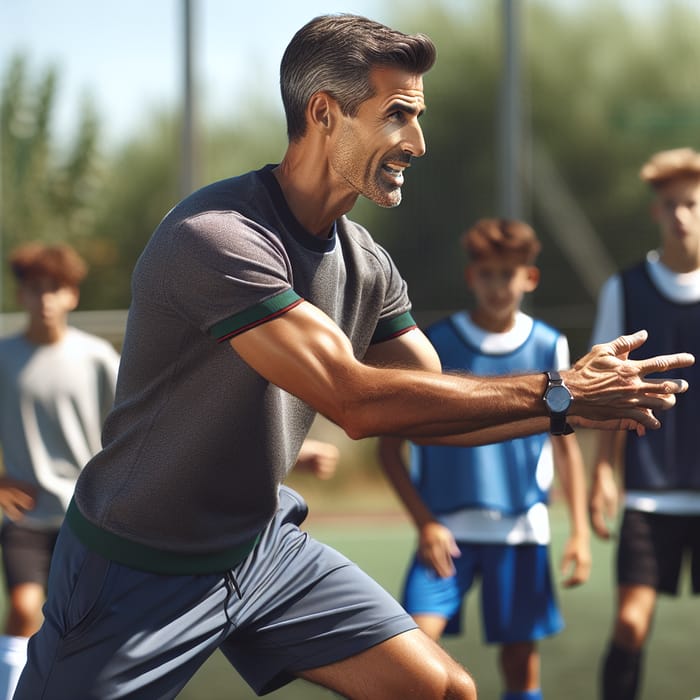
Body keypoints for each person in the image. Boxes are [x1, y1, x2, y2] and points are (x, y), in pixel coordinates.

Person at [14, 15, 693, 700]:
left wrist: (577, 408)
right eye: (398, 115)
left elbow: (431, 404)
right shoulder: (215, 237)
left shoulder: (366, 261)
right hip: (138, 565)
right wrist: (558, 393)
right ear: (324, 114)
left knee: (444, 691)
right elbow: (356, 401)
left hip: (259, 548)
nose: (418, 143)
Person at [379, 218, 591, 700]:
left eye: (509, 273)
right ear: (472, 277)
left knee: (520, 665)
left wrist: (578, 529)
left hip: (521, 531)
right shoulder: (433, 345)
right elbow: (388, 450)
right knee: (413, 655)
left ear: (529, 278)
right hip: (445, 534)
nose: (499, 285)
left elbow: (566, 444)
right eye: (489, 273)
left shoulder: (549, 345)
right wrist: (425, 524)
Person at [588, 147, 700, 700]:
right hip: (650, 494)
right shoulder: (624, 290)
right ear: (655, 211)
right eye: (670, 205)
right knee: (631, 625)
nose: (681, 215)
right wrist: (603, 474)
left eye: (691, 204)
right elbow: (607, 394)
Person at [0, 242, 120, 700]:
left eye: (56, 289)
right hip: (27, 520)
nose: (45, 300)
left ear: (72, 295)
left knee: (88, 626)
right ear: (21, 295)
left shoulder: (97, 359)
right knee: (23, 608)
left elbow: (135, 429)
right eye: (35, 290)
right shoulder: (4, 358)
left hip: (89, 519)